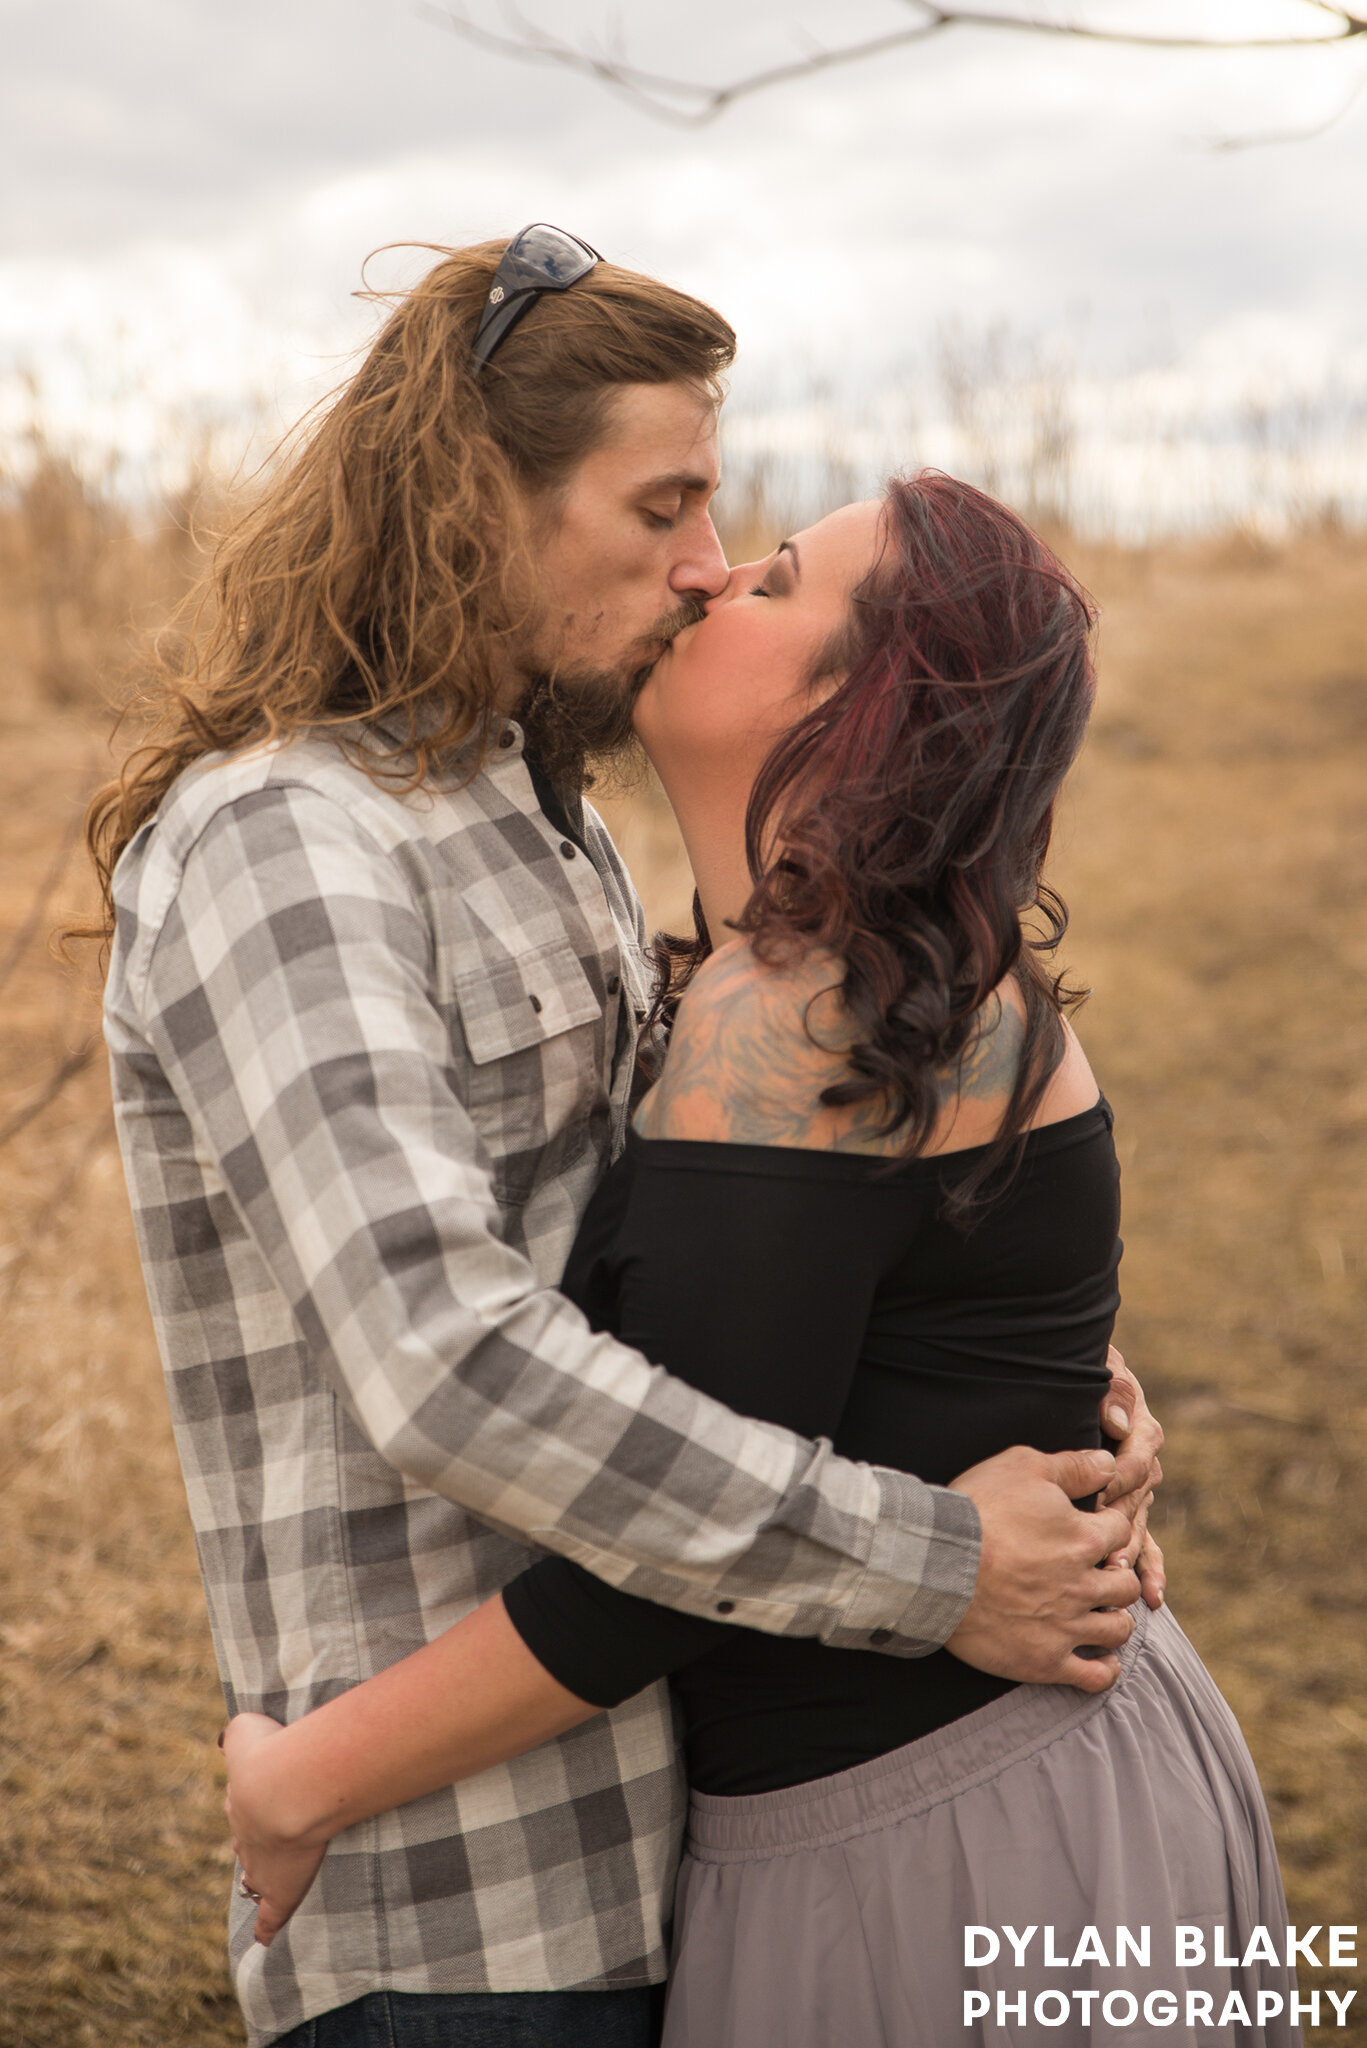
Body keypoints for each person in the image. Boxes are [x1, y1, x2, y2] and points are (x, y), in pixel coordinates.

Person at [94, 228, 1161, 2048]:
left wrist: (1048, 1397)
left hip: (692, 1809)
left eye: (726, 520)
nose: (702, 564)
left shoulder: (555, 827)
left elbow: (730, 1271)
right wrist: (939, 1555)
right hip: (463, 1893)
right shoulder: (288, 842)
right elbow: (446, 1360)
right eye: (662, 506)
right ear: (468, 505)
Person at [221, 476, 1295, 2046]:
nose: (714, 579)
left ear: (863, 710)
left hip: (937, 1852)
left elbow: (670, 1552)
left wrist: (304, 1780)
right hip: (1058, 1786)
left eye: (778, 580)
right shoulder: (876, 972)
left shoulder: (803, 1015)